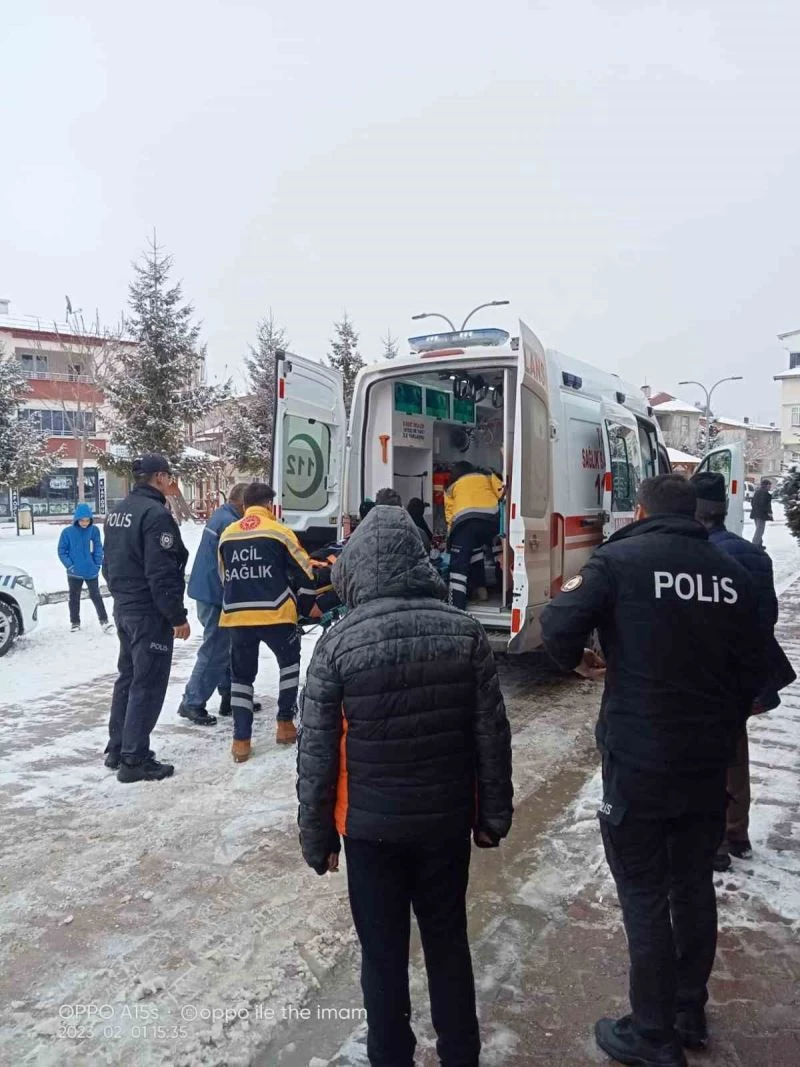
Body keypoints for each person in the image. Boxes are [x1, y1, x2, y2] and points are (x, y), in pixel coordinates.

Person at [541, 474, 764, 1066]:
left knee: (643, 891)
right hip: (706, 762)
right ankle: (688, 1010)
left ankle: (652, 1033)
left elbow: (556, 625)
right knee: (691, 884)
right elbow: (760, 676)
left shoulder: (618, 561)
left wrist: (580, 660)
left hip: (639, 759)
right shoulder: (733, 575)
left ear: (640, 511)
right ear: (695, 514)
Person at [298, 505, 513, 1067]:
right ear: (418, 560)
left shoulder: (337, 643)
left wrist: (317, 836)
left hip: (369, 831)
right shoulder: (465, 632)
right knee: (448, 943)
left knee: (382, 955)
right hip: (445, 824)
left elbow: (317, 750)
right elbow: (491, 733)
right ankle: (461, 1055)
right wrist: (493, 816)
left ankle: (390, 1055)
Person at [692, 472, 796, 871]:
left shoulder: (696, 554)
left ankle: (715, 843)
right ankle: (737, 833)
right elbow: (768, 616)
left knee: (704, 758)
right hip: (745, 674)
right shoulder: (753, 554)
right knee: (734, 752)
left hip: (706, 675)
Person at [102, 454, 191, 783]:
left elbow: (108, 564)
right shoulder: (155, 515)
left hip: (125, 607)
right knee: (147, 683)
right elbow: (162, 571)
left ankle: (118, 748)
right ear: (160, 477)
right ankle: (134, 759)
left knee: (127, 678)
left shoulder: (119, 511)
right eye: (169, 477)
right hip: (148, 612)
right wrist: (176, 616)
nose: (170, 482)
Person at [218, 482, 316, 760]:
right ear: (269, 505)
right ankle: (285, 724)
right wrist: (304, 608)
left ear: (244, 505)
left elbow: (224, 576)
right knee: (289, 665)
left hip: (237, 615)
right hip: (276, 613)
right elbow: (306, 572)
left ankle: (241, 741)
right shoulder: (279, 532)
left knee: (241, 678)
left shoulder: (227, 534)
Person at [178, 483, 249, 726]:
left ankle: (229, 696)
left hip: (207, 590)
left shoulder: (222, 515)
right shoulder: (231, 524)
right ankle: (192, 702)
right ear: (243, 504)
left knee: (226, 646)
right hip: (215, 595)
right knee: (215, 650)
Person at [443, 461, 504, 609]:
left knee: (459, 568)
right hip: (491, 521)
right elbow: (503, 493)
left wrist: (450, 543)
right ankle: (499, 591)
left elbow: (450, 517)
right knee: (498, 554)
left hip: (464, 524)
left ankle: (456, 607)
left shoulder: (450, 488)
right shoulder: (488, 476)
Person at [57, 502, 114, 633]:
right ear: (77, 519)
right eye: (82, 520)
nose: (84, 523)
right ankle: (75, 622)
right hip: (74, 572)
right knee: (74, 597)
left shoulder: (94, 531)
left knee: (96, 596)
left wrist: (97, 564)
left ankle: (104, 621)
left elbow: (98, 548)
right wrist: (70, 565)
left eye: (87, 520)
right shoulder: (67, 532)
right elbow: (62, 551)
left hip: (91, 570)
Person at [750, 478, 773, 547]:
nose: (770, 486)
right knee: (760, 531)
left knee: (759, 529)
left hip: (756, 513)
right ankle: (754, 545)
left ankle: (759, 544)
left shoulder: (758, 492)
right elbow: (764, 504)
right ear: (765, 485)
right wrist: (768, 512)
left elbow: (752, 502)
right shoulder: (764, 493)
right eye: (769, 485)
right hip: (761, 514)